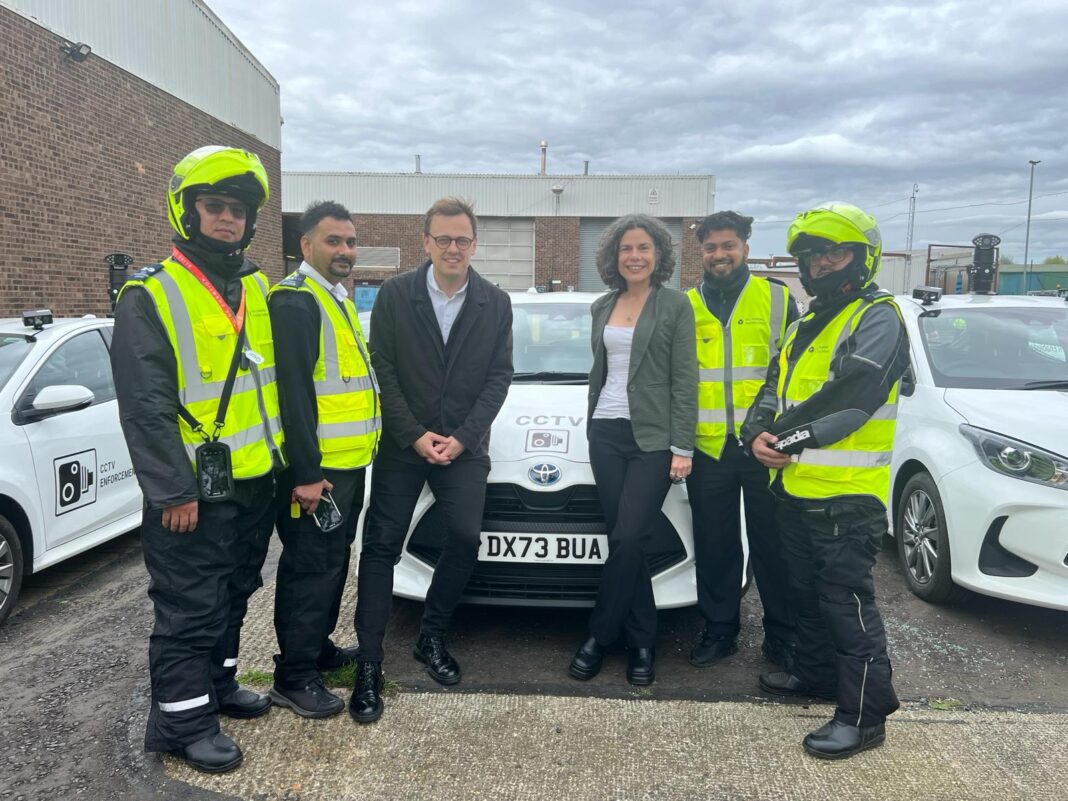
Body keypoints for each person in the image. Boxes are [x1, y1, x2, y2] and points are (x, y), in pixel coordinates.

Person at [112, 146, 282, 773]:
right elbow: (145, 405)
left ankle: (219, 686)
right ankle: (183, 723)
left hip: (254, 482)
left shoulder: (256, 287)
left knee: (236, 592)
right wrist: (171, 490)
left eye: (237, 210)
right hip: (191, 495)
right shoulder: (150, 294)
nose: (226, 219)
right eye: (214, 206)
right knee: (189, 607)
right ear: (185, 210)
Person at [741, 202, 909, 759]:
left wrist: (782, 441)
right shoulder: (805, 321)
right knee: (804, 596)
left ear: (862, 256)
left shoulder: (877, 316)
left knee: (846, 604)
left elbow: (853, 398)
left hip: (846, 499)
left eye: (833, 253)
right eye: (811, 255)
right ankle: (813, 676)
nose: (820, 264)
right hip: (795, 490)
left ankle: (864, 716)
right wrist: (755, 434)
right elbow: (773, 386)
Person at [349, 197, 513, 724]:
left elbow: (498, 377)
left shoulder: (495, 301)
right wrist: (416, 434)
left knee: (465, 537)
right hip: (403, 444)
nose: (453, 248)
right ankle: (369, 664)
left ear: (474, 243)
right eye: (442, 238)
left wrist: (463, 439)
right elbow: (384, 372)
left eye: (462, 239)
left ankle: (431, 636)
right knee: (380, 548)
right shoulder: (396, 295)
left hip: (464, 447)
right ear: (425, 242)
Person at [568, 214, 697, 686]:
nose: (635, 256)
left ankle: (599, 637)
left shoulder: (675, 306)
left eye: (644, 248)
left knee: (626, 538)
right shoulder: (602, 305)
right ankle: (642, 643)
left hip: (654, 440)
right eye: (626, 249)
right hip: (605, 433)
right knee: (628, 540)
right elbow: (602, 372)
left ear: (658, 254)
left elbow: (686, 380)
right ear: (613, 257)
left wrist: (683, 446)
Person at [266, 201, 381, 718]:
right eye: (333, 241)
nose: (345, 251)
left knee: (333, 563)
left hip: (345, 466)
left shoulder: (332, 297)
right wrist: (307, 474)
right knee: (309, 569)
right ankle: (293, 676)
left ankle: (316, 649)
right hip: (316, 475)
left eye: (351, 242)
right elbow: (292, 392)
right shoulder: (295, 300)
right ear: (305, 244)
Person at [684, 211, 799, 670]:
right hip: (707, 447)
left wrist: (782, 433)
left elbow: (796, 372)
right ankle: (719, 629)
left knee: (774, 545)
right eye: (711, 248)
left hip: (766, 447)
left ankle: (782, 635)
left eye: (728, 245)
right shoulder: (685, 304)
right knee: (715, 546)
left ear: (746, 248)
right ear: (702, 253)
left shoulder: (777, 299)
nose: (719, 255)